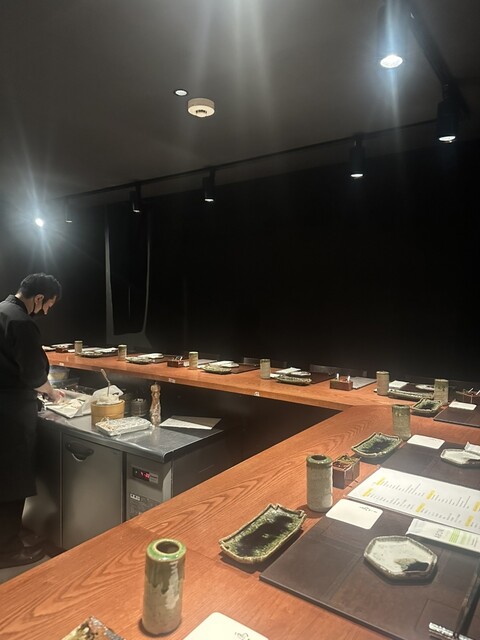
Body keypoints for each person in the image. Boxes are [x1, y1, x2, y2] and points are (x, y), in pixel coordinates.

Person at [0, 272, 63, 568]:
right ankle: (8, 550)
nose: (46, 311)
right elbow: (34, 374)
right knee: (12, 479)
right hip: (10, 414)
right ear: (38, 298)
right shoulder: (21, 322)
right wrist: (52, 392)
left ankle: (9, 536)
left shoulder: (2, 310)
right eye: (48, 305)